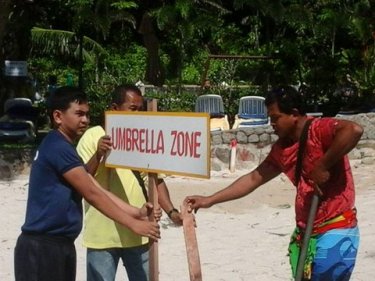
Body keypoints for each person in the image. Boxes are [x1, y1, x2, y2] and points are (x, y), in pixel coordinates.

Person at [185, 85, 363, 281]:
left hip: (335, 231)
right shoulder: (283, 148)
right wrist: (210, 200)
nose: (272, 124)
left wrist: (322, 165)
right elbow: (254, 178)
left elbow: (353, 130)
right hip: (306, 234)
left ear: (294, 114)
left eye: (276, 118)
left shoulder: (319, 129)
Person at [14, 86, 161, 281]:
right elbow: (91, 192)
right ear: (58, 116)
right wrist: (133, 224)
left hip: (59, 245)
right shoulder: (58, 147)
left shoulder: (63, 146)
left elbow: (91, 185)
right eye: (79, 114)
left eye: (87, 114)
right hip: (43, 247)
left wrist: (136, 212)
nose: (85, 120)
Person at [76, 84, 182, 281]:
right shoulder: (92, 136)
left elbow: (155, 180)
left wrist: (171, 212)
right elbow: (83, 180)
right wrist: (98, 154)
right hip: (102, 235)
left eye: (140, 109)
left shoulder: (142, 140)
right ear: (115, 108)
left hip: (140, 232)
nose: (138, 114)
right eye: (133, 109)